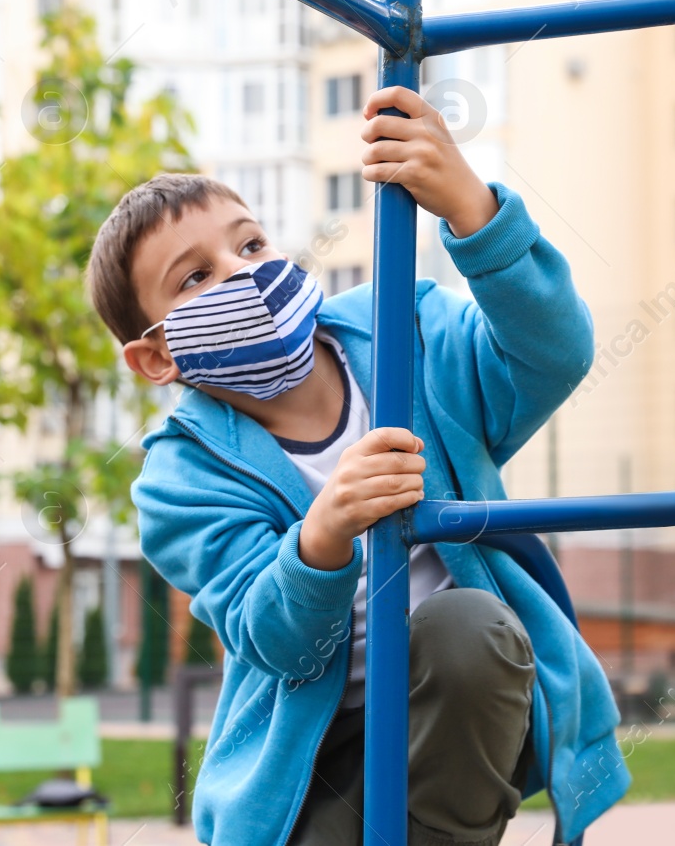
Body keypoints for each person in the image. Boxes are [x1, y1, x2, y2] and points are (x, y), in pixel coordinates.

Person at [87, 87, 628, 846]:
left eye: (249, 245)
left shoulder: (407, 328)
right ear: (155, 355)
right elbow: (271, 637)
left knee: (467, 624)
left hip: (454, 693)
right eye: (194, 278)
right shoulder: (183, 478)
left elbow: (552, 353)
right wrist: (325, 531)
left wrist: (474, 212)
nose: (240, 274)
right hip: (314, 754)